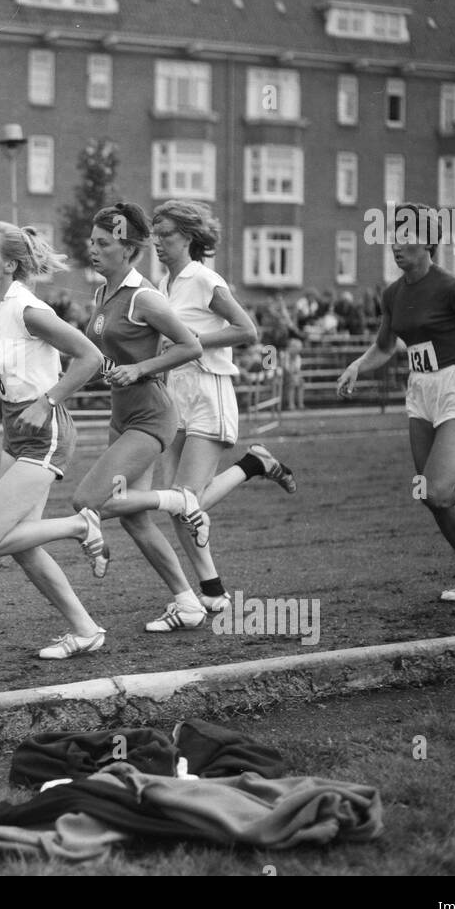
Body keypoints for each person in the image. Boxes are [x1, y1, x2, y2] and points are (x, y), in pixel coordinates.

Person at [336, 203, 455, 603]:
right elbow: (385, 346)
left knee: (439, 492)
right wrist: (359, 365)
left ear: (427, 242)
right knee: (430, 493)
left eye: (405, 237)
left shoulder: (453, 287)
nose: (395, 245)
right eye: (392, 236)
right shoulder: (392, 293)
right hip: (421, 391)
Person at [59, 203, 225, 632]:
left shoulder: (144, 296)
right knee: (133, 519)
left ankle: (180, 500)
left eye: (103, 243)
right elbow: (106, 354)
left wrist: (138, 369)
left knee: (87, 501)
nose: (92, 250)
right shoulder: (101, 294)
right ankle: (188, 604)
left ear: (129, 248)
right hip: (123, 417)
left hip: (151, 418)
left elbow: (189, 345)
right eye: (91, 242)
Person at [133, 200, 298, 631]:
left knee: (184, 500)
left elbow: (247, 330)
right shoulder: (163, 285)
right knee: (178, 505)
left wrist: (192, 340)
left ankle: (253, 463)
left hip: (209, 392)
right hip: (176, 397)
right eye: (155, 235)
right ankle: (212, 592)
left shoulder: (204, 278)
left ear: (188, 236)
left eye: (166, 235)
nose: (159, 243)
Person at [0, 222, 108, 661]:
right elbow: (9, 374)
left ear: (10, 264)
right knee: (22, 545)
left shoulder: (28, 309)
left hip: (45, 432)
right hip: (13, 428)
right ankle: (85, 630)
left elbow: (90, 357)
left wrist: (49, 399)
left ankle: (81, 526)